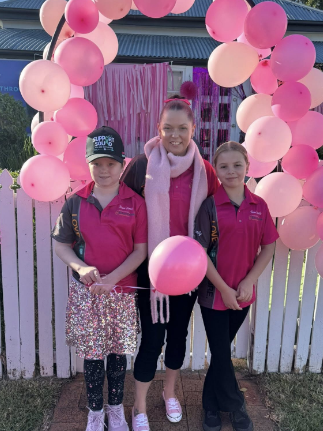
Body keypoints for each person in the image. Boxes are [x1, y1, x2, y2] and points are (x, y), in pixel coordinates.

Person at [121, 95, 219, 431]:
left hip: (189, 272)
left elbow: (214, 217)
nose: (174, 135)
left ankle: (169, 392)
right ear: (158, 129)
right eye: (167, 128)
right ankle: (139, 407)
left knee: (178, 336)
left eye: (181, 128)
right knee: (152, 339)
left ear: (194, 129)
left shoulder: (204, 171)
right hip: (151, 271)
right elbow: (123, 212)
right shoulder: (141, 166)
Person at [51, 126, 148, 431]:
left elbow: (140, 251)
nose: (104, 170)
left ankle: (116, 409)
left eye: (111, 163)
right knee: (92, 354)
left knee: (118, 353)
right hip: (87, 294)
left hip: (122, 293)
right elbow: (61, 244)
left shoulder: (135, 203)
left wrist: (113, 279)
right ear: (88, 164)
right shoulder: (75, 202)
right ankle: (95, 412)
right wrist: (80, 268)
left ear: (122, 163)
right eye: (97, 163)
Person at [194, 142, 278, 431]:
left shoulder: (259, 206)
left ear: (247, 167)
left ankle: (210, 405)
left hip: (243, 294)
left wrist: (249, 281)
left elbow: (268, 247)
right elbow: (200, 253)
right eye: (224, 166)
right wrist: (223, 289)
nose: (231, 171)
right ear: (216, 170)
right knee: (221, 352)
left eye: (237, 165)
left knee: (221, 354)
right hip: (213, 294)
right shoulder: (209, 206)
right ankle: (236, 405)